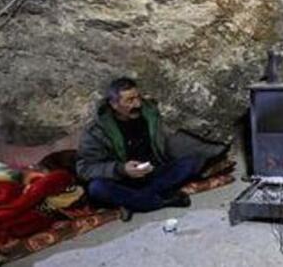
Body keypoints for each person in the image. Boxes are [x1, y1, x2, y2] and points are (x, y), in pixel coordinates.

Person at [76, 77, 203, 221]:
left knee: (193, 162)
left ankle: (133, 201)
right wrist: (121, 169)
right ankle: (157, 202)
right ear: (114, 104)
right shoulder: (97, 131)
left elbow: (166, 143)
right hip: (122, 180)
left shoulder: (150, 113)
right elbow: (84, 169)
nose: (137, 104)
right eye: (130, 100)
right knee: (97, 188)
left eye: (138, 98)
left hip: (152, 174)